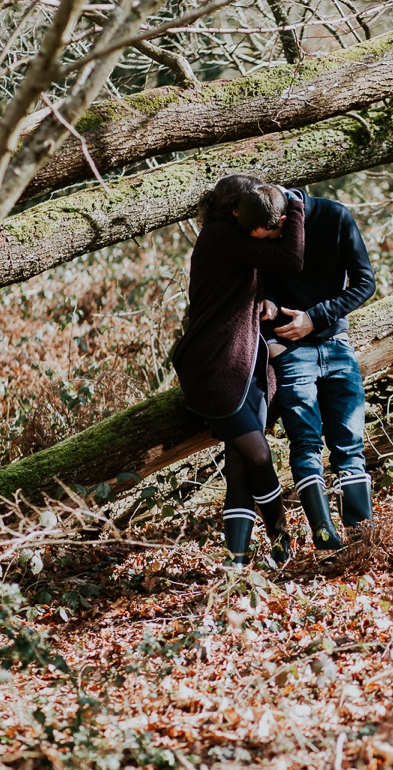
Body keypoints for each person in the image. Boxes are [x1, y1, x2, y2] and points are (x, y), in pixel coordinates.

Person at [171, 175, 305, 567]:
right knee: (259, 455)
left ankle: (238, 557)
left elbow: (252, 275)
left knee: (239, 462)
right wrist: (293, 204)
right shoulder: (218, 237)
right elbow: (291, 259)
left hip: (245, 364)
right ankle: (281, 537)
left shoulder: (233, 239)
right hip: (213, 369)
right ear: (235, 211)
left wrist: (264, 297)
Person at [259, 188, 376, 551]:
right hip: (291, 353)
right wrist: (273, 344)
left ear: (284, 221)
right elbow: (253, 292)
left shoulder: (335, 217)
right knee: (305, 443)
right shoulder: (257, 224)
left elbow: (365, 283)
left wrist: (316, 317)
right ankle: (326, 539)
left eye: (276, 237)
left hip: (336, 345)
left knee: (349, 444)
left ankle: (361, 540)